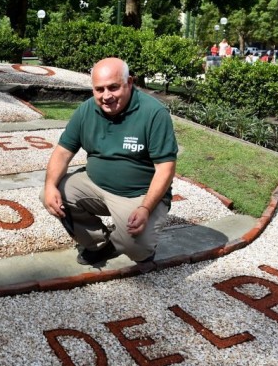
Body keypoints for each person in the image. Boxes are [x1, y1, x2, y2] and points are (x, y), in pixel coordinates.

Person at [40, 58, 178, 266]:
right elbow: (62, 152)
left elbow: (165, 169)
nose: (106, 96)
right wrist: (50, 186)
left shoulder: (153, 114)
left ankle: (134, 244)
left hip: (138, 194)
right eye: (99, 89)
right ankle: (98, 243)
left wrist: (146, 208)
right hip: (95, 184)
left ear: (129, 82)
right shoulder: (86, 110)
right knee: (50, 193)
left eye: (113, 87)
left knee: (137, 250)